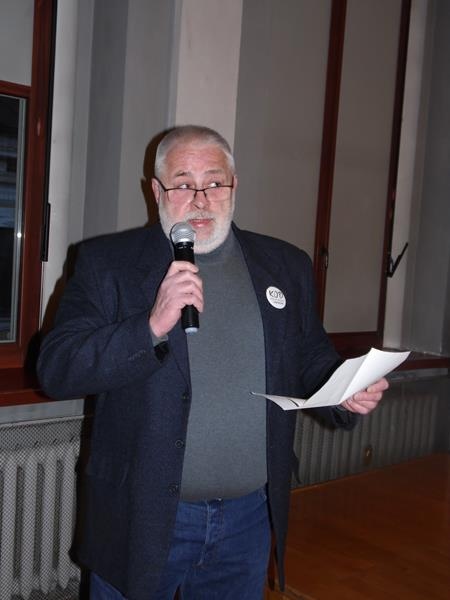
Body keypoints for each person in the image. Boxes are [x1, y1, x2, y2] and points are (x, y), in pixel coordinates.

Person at [37, 125, 388, 600]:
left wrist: (344, 390)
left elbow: (309, 356)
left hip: (248, 518)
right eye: (183, 184)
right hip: (144, 517)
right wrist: (150, 326)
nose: (200, 200)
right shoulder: (108, 264)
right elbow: (57, 367)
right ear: (156, 191)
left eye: (214, 182)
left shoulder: (285, 264)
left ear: (234, 185)